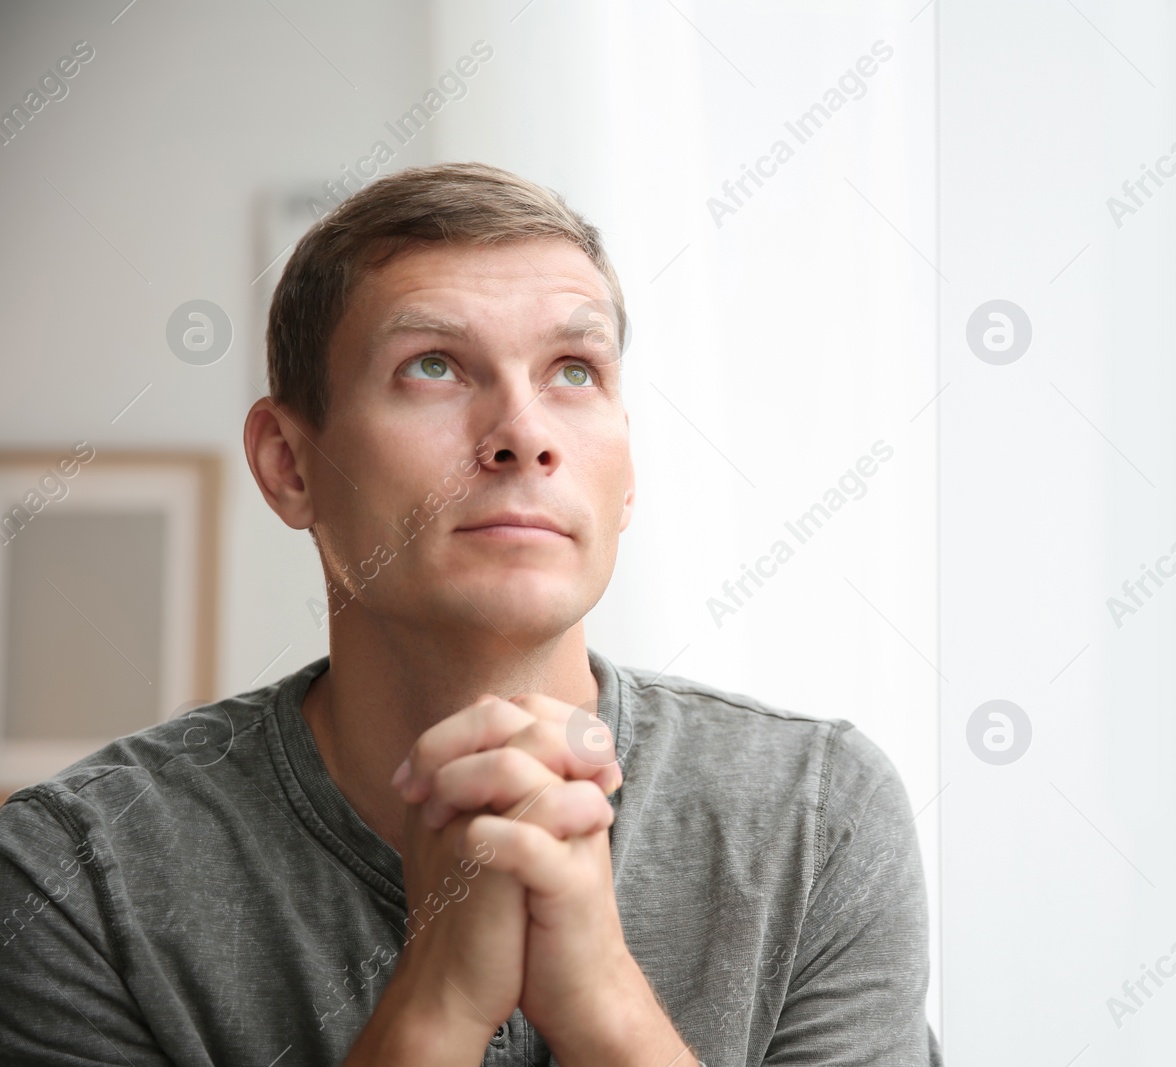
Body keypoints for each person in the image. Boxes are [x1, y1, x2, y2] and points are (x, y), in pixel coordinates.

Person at [0, 162, 939, 1066]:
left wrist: (606, 1007)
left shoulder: (821, 819)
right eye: (435, 366)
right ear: (290, 465)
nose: (525, 435)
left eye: (574, 370)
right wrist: (436, 1005)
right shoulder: (74, 875)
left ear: (627, 473)